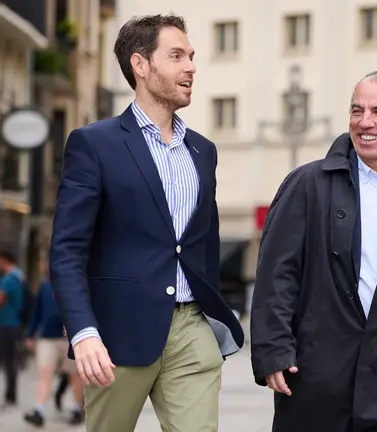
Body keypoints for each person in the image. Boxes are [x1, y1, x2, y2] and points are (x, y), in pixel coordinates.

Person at [49, 13, 244, 432]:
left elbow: (205, 243)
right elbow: (67, 250)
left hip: (191, 330)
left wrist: (210, 335)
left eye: (191, 56)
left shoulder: (203, 152)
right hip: (117, 335)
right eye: (176, 56)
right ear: (141, 65)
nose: (191, 66)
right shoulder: (94, 144)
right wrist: (83, 331)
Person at [249, 70, 377, 432]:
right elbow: (276, 275)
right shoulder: (307, 185)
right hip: (318, 384)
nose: (366, 122)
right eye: (356, 110)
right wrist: (273, 350)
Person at [23, 261, 84, 427]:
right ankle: (39, 411)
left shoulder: (76, 285)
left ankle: (77, 409)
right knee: (44, 373)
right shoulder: (44, 288)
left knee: (75, 376)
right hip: (47, 338)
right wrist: (30, 335)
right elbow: (36, 312)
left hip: (70, 338)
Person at [0, 249, 25, 406]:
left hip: (7, 323)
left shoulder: (7, 279)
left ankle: (10, 395)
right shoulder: (20, 277)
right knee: (12, 360)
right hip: (17, 323)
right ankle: (11, 393)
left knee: (7, 360)